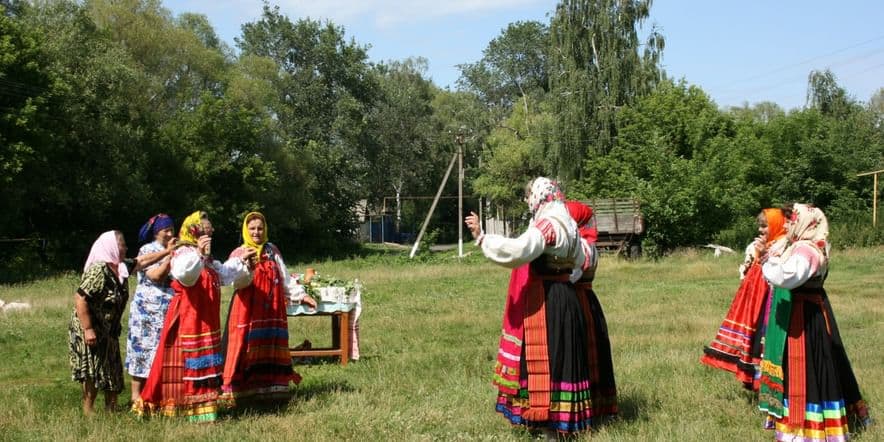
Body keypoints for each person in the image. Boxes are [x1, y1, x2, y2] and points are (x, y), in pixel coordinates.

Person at [465, 177, 594, 437]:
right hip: (567, 298)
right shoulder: (569, 224)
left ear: (538, 197)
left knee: (546, 359)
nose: (529, 203)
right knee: (564, 357)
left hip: (546, 300)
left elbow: (519, 250)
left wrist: (482, 239)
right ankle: (565, 424)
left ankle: (547, 423)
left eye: (529, 197)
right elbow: (584, 258)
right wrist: (571, 275)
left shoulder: (548, 224)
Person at [758, 203, 871, 440]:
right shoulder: (805, 245)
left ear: (804, 222)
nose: (787, 225)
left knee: (808, 367)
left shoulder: (805, 250)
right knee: (816, 364)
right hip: (807, 313)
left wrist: (768, 262)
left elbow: (786, 277)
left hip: (805, 319)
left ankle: (806, 430)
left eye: (790, 220)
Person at [132, 211, 255, 422]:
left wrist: (242, 262)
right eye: (205, 232)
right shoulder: (182, 253)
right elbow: (186, 277)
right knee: (183, 362)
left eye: (210, 232)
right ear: (194, 233)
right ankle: (176, 406)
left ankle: (203, 410)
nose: (210, 235)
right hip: (187, 316)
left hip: (205, 318)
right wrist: (198, 253)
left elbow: (223, 275)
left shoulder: (206, 258)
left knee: (203, 361)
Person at [69, 230, 171, 415]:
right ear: (111, 248)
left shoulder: (120, 267)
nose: (125, 248)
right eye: (121, 245)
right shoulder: (99, 271)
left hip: (109, 329)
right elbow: (80, 298)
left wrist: (168, 252)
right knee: (92, 369)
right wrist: (88, 329)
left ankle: (112, 410)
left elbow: (141, 261)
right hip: (90, 326)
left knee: (112, 368)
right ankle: (88, 412)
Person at [220, 212, 316, 406]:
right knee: (244, 347)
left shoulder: (272, 250)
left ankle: (271, 391)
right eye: (252, 228)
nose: (256, 232)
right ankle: (242, 393)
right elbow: (233, 282)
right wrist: (246, 265)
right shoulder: (239, 253)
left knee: (270, 346)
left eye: (260, 228)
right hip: (247, 309)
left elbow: (285, 278)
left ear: (265, 230)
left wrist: (302, 295)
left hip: (271, 309)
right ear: (246, 230)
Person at [700, 208, 787, 389]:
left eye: (765, 226)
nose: (760, 230)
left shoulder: (783, 247)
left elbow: (778, 275)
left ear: (777, 225)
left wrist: (763, 255)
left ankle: (770, 384)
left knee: (765, 340)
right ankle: (757, 381)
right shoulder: (760, 245)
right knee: (755, 338)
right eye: (760, 227)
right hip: (755, 299)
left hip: (770, 299)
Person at [565, 200, 618, 420]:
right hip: (589, 301)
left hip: (578, 300)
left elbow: (572, 276)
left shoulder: (583, 246)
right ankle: (598, 407)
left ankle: (589, 409)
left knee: (585, 352)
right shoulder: (588, 243)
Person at [126, 214, 176, 401]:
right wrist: (170, 255)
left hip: (167, 308)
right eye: (166, 230)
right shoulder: (148, 249)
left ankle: (158, 393)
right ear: (156, 233)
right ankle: (136, 396)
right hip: (147, 309)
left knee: (162, 350)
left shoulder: (175, 249)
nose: (170, 234)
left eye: (172, 229)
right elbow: (156, 276)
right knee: (143, 350)